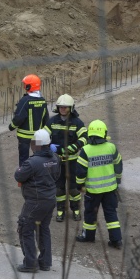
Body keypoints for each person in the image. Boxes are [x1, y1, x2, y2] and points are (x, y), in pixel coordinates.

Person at [14, 129, 61, 272]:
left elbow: (19, 176)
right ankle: (45, 262)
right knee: (43, 229)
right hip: (50, 200)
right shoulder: (55, 158)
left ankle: (30, 264)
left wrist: (20, 170)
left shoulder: (32, 162)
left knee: (26, 229)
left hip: (35, 202)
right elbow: (57, 176)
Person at [75, 120, 124, 249]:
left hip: (93, 190)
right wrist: (117, 181)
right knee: (111, 213)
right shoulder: (111, 147)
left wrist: (79, 186)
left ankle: (89, 236)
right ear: (104, 133)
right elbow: (118, 165)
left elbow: (80, 172)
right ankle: (116, 240)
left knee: (90, 213)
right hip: (110, 189)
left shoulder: (86, 150)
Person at [46, 94, 87, 222]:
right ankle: (60, 211)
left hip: (73, 161)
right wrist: (48, 146)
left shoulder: (77, 122)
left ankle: (75, 210)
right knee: (59, 188)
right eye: (60, 107)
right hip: (57, 162)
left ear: (71, 108)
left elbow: (85, 138)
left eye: (65, 107)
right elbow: (43, 136)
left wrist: (72, 147)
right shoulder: (52, 121)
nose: (62, 109)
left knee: (74, 188)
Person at [9, 74, 49, 166]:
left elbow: (19, 117)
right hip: (38, 136)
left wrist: (11, 126)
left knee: (24, 159)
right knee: (38, 156)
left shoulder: (25, 100)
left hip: (24, 137)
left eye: (25, 84)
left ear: (29, 86)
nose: (24, 86)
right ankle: (38, 174)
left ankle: (23, 177)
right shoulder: (42, 101)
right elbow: (45, 118)